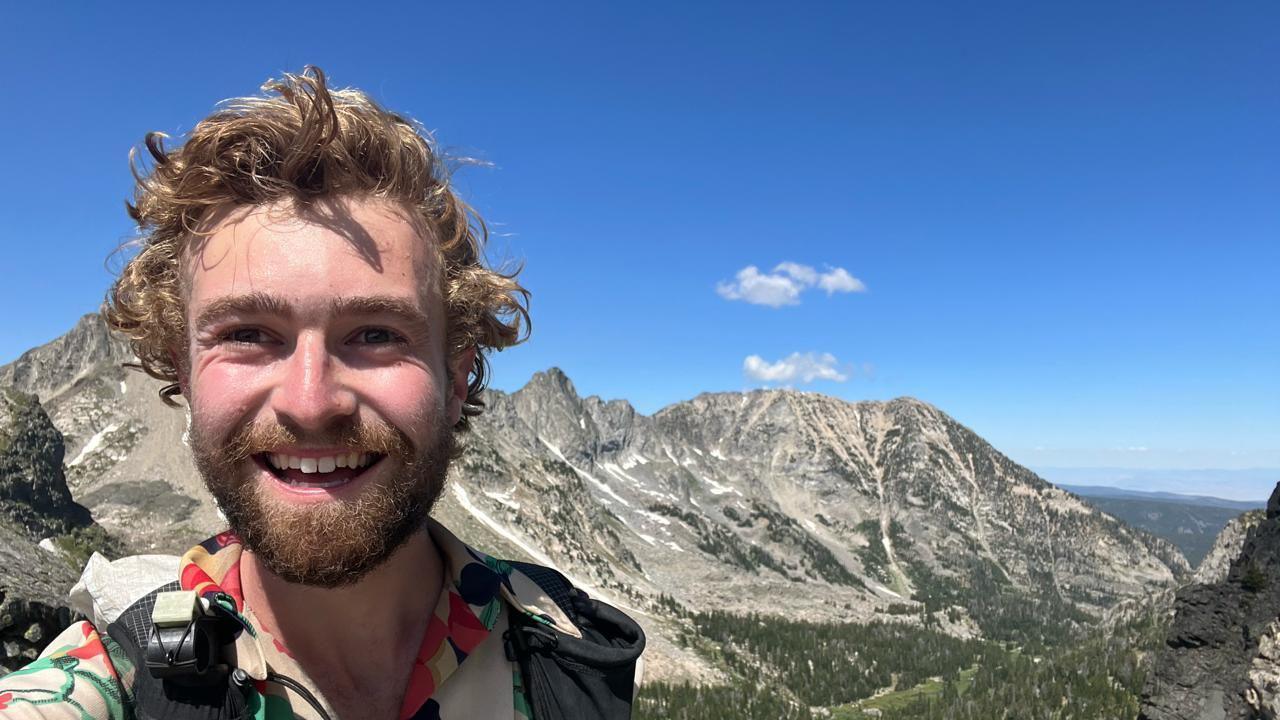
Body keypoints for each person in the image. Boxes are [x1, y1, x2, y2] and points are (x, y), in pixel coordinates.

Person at [0, 67, 643, 720]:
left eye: (375, 333)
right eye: (248, 333)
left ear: (457, 379)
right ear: (184, 374)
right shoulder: (116, 679)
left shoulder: (570, 651)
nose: (311, 402)